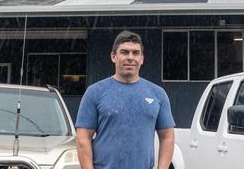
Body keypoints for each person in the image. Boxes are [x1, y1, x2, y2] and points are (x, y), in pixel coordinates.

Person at [75, 30, 175, 169]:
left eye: (135, 53)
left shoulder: (158, 94)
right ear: (113, 56)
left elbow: (167, 137)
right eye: (124, 52)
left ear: (142, 58)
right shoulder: (94, 92)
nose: (130, 57)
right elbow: (83, 138)